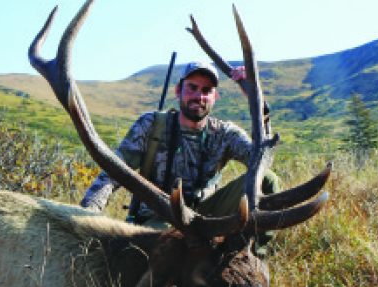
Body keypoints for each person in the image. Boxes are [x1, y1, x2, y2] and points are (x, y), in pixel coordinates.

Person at [80, 61, 280, 251]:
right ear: (178, 90)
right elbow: (114, 172)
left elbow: (261, 159)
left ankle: (247, 259)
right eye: (192, 88)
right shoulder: (151, 125)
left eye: (206, 91)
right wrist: (87, 216)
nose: (199, 96)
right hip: (159, 218)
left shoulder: (224, 134)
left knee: (266, 180)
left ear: (215, 97)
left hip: (207, 217)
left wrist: (258, 104)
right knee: (167, 247)